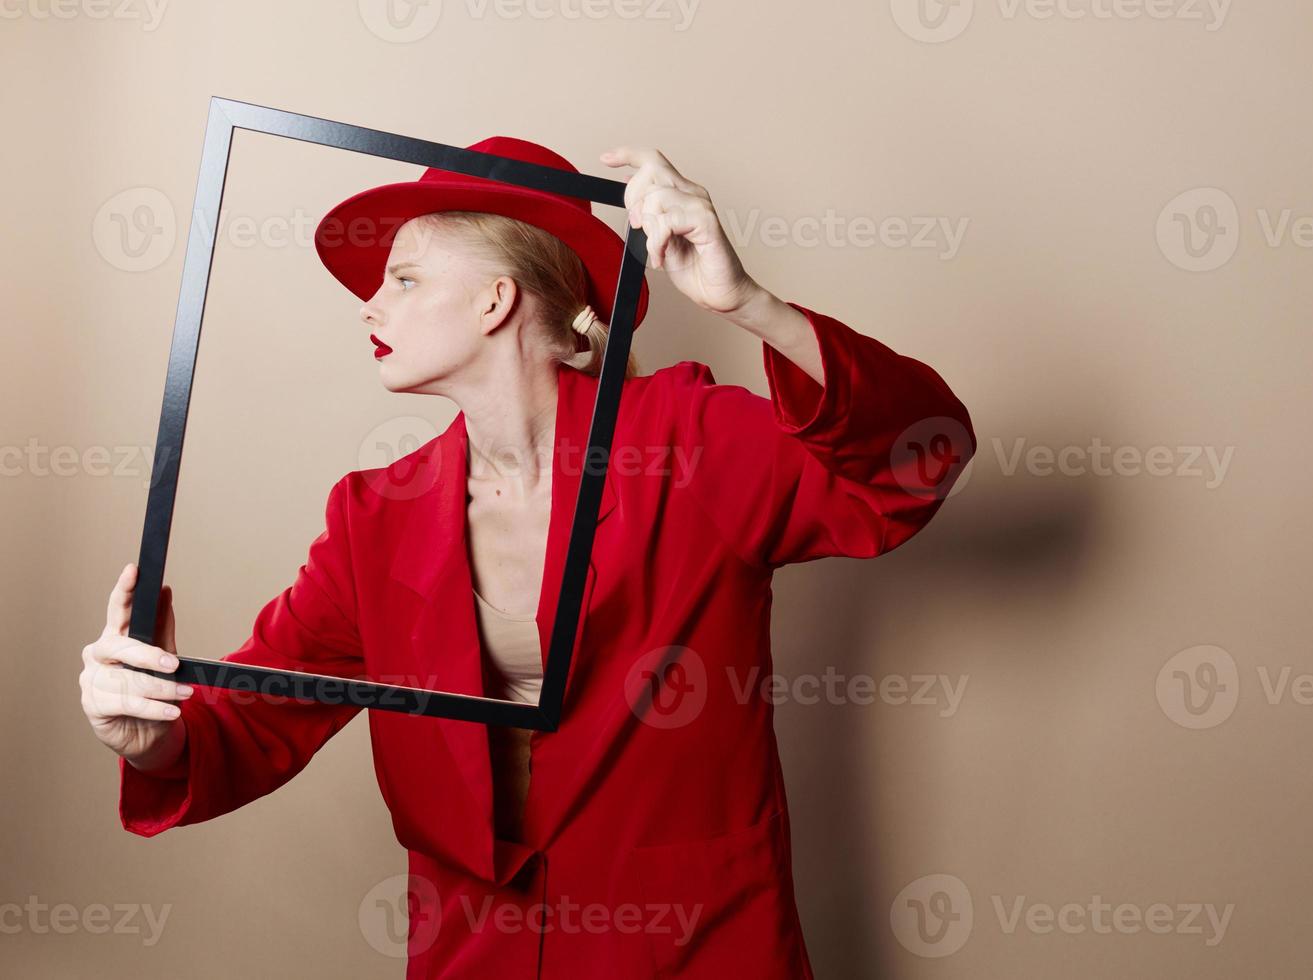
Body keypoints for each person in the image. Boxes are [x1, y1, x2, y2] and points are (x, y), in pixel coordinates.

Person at [79, 136, 976, 978]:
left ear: (496, 298)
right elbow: (257, 718)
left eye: (403, 277)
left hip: (692, 951)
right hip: (478, 957)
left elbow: (915, 458)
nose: (369, 304)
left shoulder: (688, 441)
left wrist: (754, 308)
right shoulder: (372, 518)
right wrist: (154, 737)